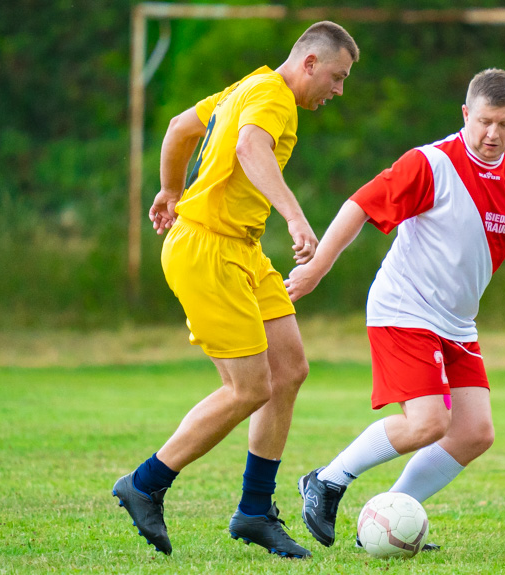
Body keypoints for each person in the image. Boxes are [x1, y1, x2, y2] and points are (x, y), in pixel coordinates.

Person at [285, 68, 505, 550]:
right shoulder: (429, 164)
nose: (493, 134)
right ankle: (326, 480)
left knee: (474, 433)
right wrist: (317, 269)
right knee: (429, 422)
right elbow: (360, 205)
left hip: (456, 322)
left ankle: (386, 519)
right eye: (485, 121)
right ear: (466, 114)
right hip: (403, 309)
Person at [112, 21, 359, 560]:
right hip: (208, 251)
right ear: (310, 63)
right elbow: (250, 147)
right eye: (337, 78)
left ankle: (253, 511)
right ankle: (146, 483)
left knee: (289, 369)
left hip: (243, 250)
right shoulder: (273, 97)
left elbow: (180, 127)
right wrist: (296, 218)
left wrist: (170, 189)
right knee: (249, 389)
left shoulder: (248, 85)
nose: (338, 91)